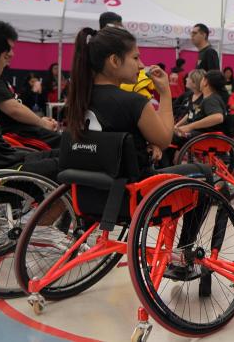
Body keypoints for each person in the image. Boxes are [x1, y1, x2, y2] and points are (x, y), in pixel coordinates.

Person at [64, 25, 212, 278]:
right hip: (135, 196)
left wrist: (145, 145)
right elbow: (165, 138)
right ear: (114, 61)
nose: (140, 65)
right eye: (135, 57)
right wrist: (164, 94)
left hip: (88, 194)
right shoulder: (132, 102)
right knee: (205, 174)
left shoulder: (79, 98)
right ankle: (185, 253)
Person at [0, 21, 59, 178]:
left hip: (11, 156)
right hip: (6, 171)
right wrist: (42, 123)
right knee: (75, 158)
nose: (12, 55)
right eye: (8, 52)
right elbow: (14, 109)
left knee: (75, 152)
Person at [0, 73, 61, 148]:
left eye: (36, 81)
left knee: (65, 142)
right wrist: (43, 123)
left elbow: (19, 110)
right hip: (16, 135)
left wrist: (41, 121)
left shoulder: (1, 82)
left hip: (27, 128)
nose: (8, 61)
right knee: (64, 144)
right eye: (32, 81)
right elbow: (15, 110)